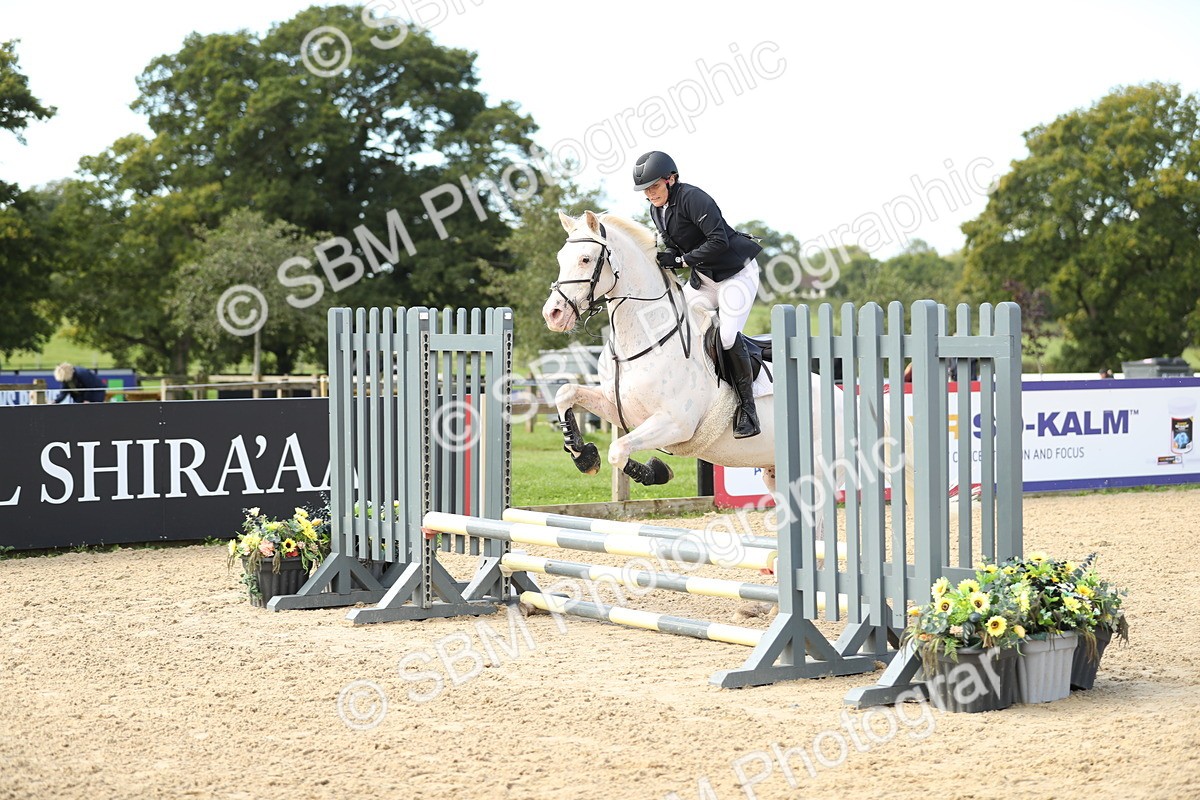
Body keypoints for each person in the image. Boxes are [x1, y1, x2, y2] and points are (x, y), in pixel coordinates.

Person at [633, 150, 763, 438]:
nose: (650, 193)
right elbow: (675, 245)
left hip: (735, 275)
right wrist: (666, 257)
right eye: (646, 189)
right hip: (704, 280)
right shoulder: (657, 210)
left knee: (727, 337)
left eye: (654, 186)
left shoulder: (694, 198)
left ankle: (748, 411)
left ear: (671, 179)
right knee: (678, 327)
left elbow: (717, 241)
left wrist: (680, 261)